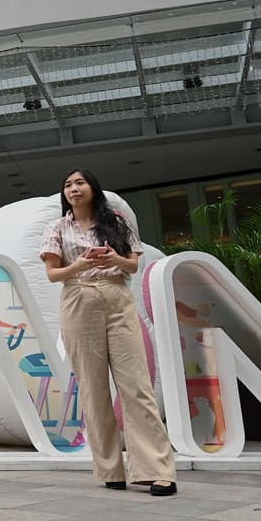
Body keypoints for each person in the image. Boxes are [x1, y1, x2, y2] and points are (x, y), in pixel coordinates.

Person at [39, 168, 177, 496]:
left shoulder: (115, 222)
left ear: (93, 188)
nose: (73, 188)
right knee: (93, 388)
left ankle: (157, 470)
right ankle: (109, 470)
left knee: (137, 386)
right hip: (78, 298)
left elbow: (133, 265)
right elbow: (53, 274)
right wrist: (81, 265)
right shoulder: (56, 228)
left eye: (80, 182)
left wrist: (114, 257)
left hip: (117, 296)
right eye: (68, 184)